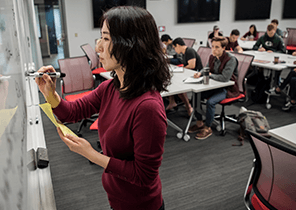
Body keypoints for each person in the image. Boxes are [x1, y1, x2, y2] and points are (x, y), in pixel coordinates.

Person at [35, 6, 171, 210]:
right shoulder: (110, 87)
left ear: (131, 45)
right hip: (116, 196)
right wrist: (50, 94)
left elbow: (144, 175)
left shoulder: (147, 107)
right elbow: (71, 113)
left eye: (106, 39)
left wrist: (91, 154)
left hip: (141, 205)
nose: (98, 47)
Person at [188, 37, 239, 140]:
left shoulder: (231, 59)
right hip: (214, 86)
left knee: (210, 102)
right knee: (195, 96)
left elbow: (225, 78)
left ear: (224, 48)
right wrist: (200, 73)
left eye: (217, 47)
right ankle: (199, 123)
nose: (214, 50)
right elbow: (206, 68)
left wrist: (209, 75)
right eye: (212, 47)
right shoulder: (213, 57)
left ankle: (208, 127)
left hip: (227, 89)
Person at [165, 37, 203, 115]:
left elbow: (192, 66)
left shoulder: (189, 51)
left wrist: (181, 68)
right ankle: (172, 101)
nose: (175, 50)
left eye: (174, 48)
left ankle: (188, 106)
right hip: (189, 73)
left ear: (178, 45)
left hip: (195, 75)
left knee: (178, 87)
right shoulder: (185, 52)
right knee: (172, 81)